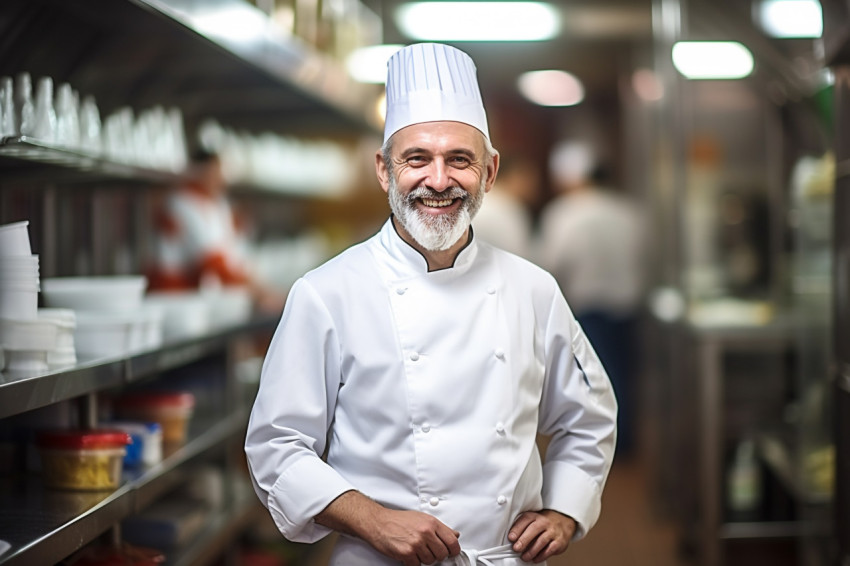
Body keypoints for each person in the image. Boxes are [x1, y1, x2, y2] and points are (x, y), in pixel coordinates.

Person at [244, 43, 617, 566]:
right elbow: (276, 446)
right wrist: (373, 519)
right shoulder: (326, 293)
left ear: (488, 173)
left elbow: (589, 418)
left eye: (459, 159)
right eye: (416, 158)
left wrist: (564, 510)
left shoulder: (533, 289)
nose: (438, 180)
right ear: (383, 170)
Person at [538, 141, 648, 458]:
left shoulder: (564, 213)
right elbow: (645, 257)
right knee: (624, 376)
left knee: (590, 380)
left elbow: (551, 262)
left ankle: (599, 446)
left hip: (586, 308)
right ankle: (625, 442)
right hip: (628, 306)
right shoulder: (628, 211)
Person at [146, 149, 284, 313]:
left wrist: (259, 286)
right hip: (170, 295)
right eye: (216, 170)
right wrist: (258, 292)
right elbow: (212, 261)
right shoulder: (182, 202)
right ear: (202, 171)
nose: (221, 177)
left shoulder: (217, 203)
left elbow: (231, 255)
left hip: (193, 296)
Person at [472, 154, 539, 259]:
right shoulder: (508, 208)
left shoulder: (477, 202)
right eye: (530, 178)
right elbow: (520, 257)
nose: (535, 186)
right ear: (515, 176)